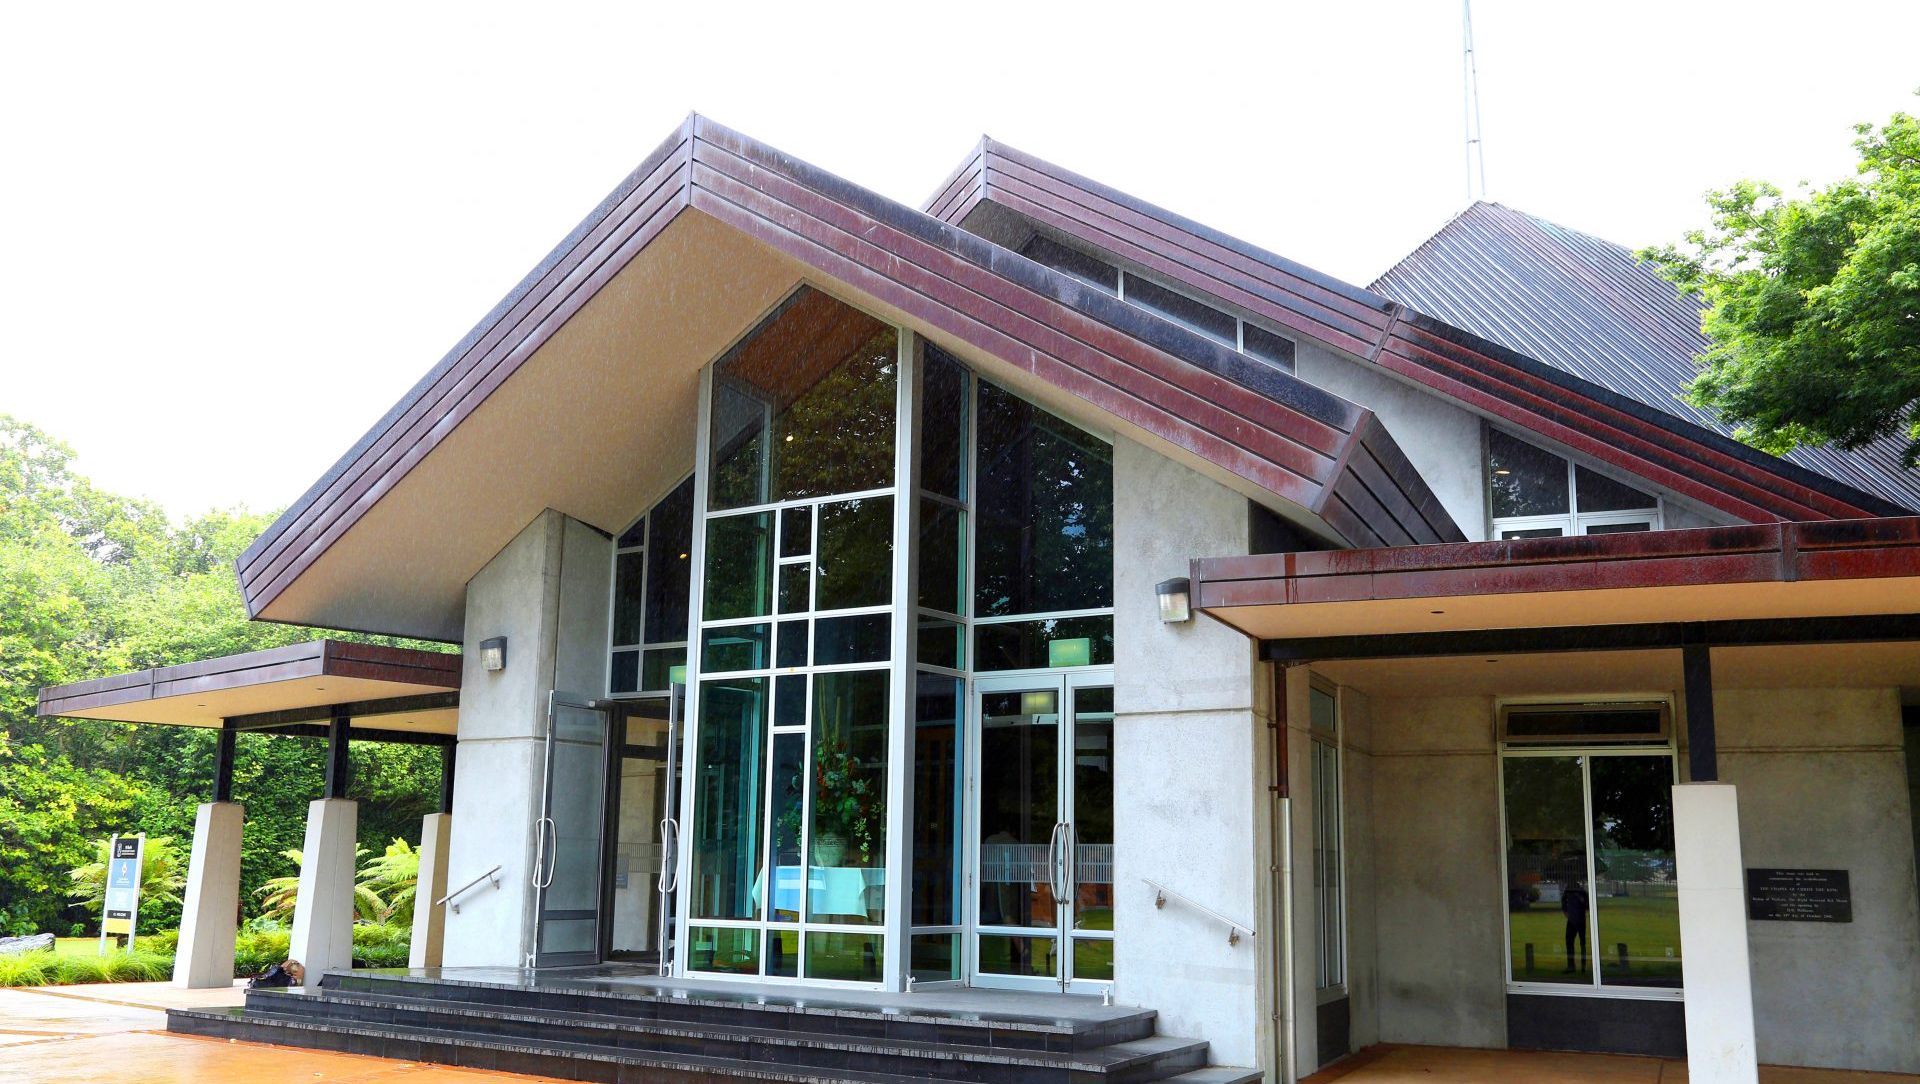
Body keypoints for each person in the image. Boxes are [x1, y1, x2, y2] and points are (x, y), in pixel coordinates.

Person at [1561, 877, 1590, 973]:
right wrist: (1565, 911)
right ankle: (1571, 966)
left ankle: (1583, 966)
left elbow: (1587, 905)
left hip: (1580, 919)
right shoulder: (1568, 891)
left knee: (1582, 943)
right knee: (1569, 942)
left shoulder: (1581, 892)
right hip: (1572, 920)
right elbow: (1563, 902)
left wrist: (1582, 900)